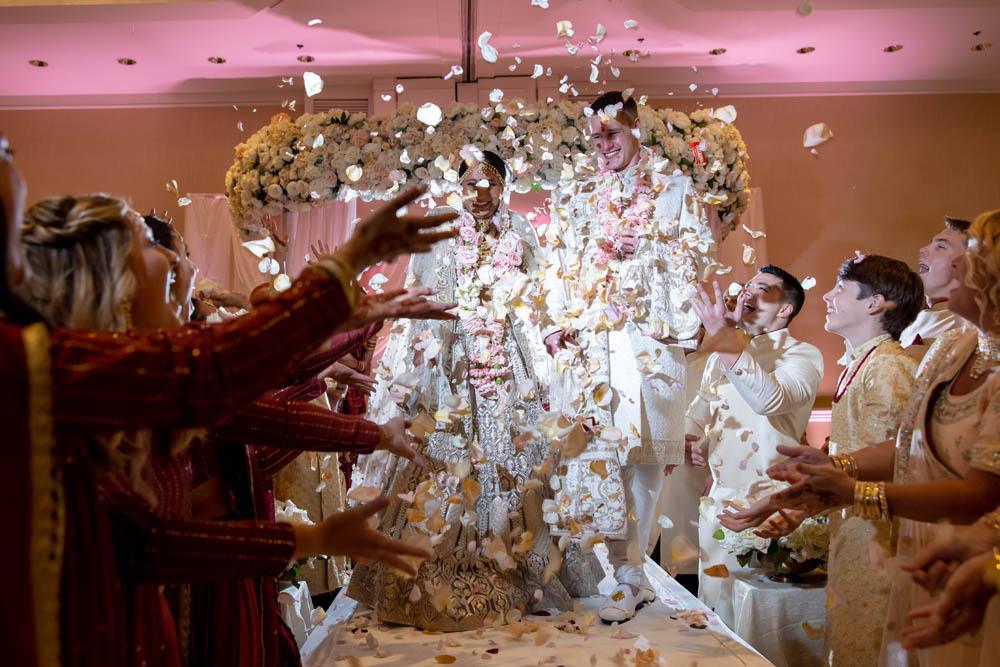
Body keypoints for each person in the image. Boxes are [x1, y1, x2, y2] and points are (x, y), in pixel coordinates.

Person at [0, 132, 451, 667]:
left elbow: (146, 544)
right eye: (150, 245)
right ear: (107, 278)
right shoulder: (33, 365)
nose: (173, 261)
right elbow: (216, 376)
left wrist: (316, 536)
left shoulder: (77, 381)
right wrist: (348, 263)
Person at [719, 210, 1000, 666]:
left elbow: (926, 470)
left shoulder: (890, 364)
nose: (928, 253)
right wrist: (799, 496)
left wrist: (843, 488)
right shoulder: (944, 351)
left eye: (949, 249)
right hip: (865, 528)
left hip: (900, 538)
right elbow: (898, 449)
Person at [348, 151, 599, 631]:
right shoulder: (443, 230)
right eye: (470, 186)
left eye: (490, 187)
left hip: (506, 352)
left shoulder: (521, 231)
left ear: (504, 188)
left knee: (515, 457)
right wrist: (424, 352)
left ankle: (526, 571)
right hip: (451, 356)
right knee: (442, 451)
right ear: (458, 189)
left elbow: (539, 292)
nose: (480, 196)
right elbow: (424, 294)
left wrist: (549, 333)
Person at [542, 92, 719, 622]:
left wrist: (646, 251)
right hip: (593, 344)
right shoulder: (576, 192)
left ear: (636, 127)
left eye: (612, 135)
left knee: (648, 462)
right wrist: (555, 322)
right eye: (596, 138)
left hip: (651, 340)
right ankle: (621, 569)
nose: (603, 147)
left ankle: (633, 572)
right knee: (602, 458)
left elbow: (697, 254)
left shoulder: (674, 188)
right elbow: (558, 260)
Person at [682, 267, 822, 611]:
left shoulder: (803, 354)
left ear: (785, 309)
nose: (746, 294)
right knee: (712, 606)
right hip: (718, 502)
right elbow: (702, 410)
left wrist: (722, 335)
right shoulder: (725, 351)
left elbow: (769, 400)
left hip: (768, 504)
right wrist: (686, 442)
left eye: (760, 289)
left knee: (744, 612)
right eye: (745, 287)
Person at [818, 254, 922, 666]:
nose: (827, 296)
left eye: (840, 289)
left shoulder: (889, 366)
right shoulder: (859, 365)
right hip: (854, 528)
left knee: (870, 641)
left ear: (874, 303)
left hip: (878, 533)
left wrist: (820, 477)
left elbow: (889, 459)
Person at [899, 216, 970, 352]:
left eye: (940, 246)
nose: (922, 249)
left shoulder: (971, 328)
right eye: (930, 244)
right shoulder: (909, 325)